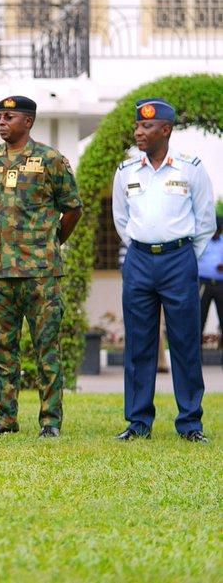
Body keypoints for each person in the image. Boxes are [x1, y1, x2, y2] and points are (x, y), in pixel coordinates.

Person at [0, 96, 82, 438]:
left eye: (9, 117)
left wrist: (49, 242)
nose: (1, 122)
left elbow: (73, 208)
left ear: (28, 121)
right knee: (2, 350)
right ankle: (5, 418)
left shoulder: (51, 160)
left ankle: (50, 421)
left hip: (40, 273)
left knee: (46, 349)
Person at [112, 98, 215, 443]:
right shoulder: (126, 171)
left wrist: (183, 255)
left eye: (147, 126)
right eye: (138, 126)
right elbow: (121, 220)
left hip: (178, 260)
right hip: (139, 260)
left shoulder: (190, 168)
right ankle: (138, 422)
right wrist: (143, 247)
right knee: (138, 344)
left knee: (185, 342)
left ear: (166, 130)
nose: (138, 132)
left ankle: (190, 423)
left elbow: (205, 221)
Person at [198, 216, 223, 346]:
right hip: (203, 284)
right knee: (200, 318)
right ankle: (196, 354)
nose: (216, 233)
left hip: (221, 285)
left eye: (218, 231)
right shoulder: (202, 242)